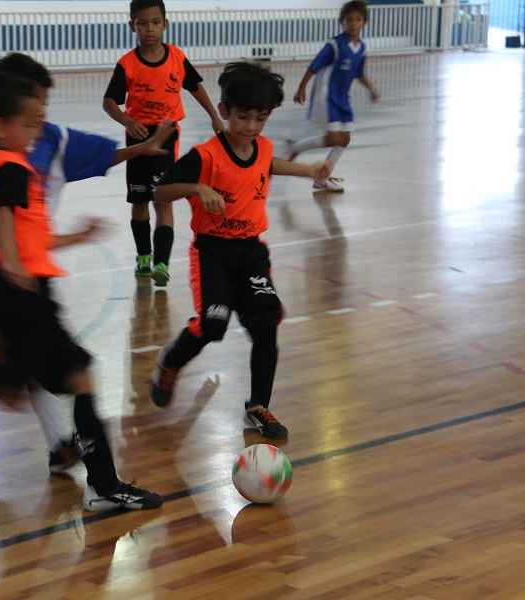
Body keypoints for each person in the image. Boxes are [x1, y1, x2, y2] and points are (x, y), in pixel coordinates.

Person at [0, 53, 175, 474]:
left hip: (27, 261)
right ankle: (69, 453)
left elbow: (102, 155)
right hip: (8, 267)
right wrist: (10, 258)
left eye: (44, 102)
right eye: (36, 101)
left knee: (20, 365)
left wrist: (141, 148)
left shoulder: (51, 139)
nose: (42, 111)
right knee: (45, 366)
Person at [149, 62, 332, 440]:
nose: (250, 127)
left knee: (266, 323)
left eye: (259, 119)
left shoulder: (261, 147)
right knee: (213, 325)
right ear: (225, 110)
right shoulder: (205, 156)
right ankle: (171, 361)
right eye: (242, 117)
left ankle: (258, 406)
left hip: (251, 252)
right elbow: (160, 191)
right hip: (213, 252)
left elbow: (268, 163)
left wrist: (308, 171)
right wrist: (196, 189)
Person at [103, 0, 222, 288]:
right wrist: (126, 120)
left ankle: (162, 263)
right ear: (133, 26)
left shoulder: (177, 58)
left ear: (165, 24)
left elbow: (195, 87)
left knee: (163, 198)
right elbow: (109, 102)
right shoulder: (127, 64)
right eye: (143, 23)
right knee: (140, 199)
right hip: (138, 138)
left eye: (155, 22)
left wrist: (215, 116)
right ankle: (144, 257)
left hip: (167, 137)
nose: (149, 29)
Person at [286, 0, 380, 193]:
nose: (353, 24)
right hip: (326, 96)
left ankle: (321, 178)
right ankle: (298, 148)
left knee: (344, 140)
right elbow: (314, 66)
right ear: (342, 22)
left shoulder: (361, 48)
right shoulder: (335, 44)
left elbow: (358, 73)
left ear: (365, 23)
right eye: (348, 20)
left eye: (357, 19)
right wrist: (301, 87)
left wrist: (371, 88)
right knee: (335, 137)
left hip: (343, 98)